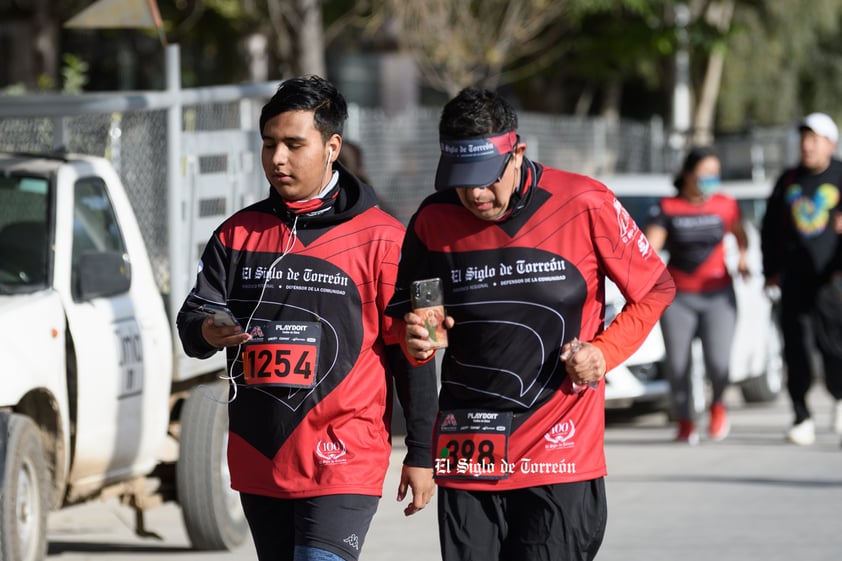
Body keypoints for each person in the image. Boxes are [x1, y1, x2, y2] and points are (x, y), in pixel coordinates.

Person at [386, 87, 676, 561]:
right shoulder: (433, 221)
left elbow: (656, 289)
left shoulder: (585, 202)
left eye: (485, 178)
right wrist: (418, 337)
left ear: (517, 153)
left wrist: (604, 352)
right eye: (461, 181)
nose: (476, 194)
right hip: (467, 450)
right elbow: (424, 321)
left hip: (559, 454)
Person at [176, 75, 438, 561]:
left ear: (332, 146)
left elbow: (414, 353)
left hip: (344, 457)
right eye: (269, 143)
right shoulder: (237, 234)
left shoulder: (386, 239)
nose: (277, 158)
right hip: (261, 456)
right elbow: (193, 320)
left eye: (295, 144)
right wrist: (210, 330)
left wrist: (422, 452)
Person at [644, 147, 750, 444]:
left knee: (719, 361)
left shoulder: (726, 205)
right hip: (679, 298)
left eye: (715, 174)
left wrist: (742, 257)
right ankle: (685, 421)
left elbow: (740, 234)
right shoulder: (668, 207)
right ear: (688, 174)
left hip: (718, 296)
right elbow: (651, 249)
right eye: (705, 173)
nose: (710, 179)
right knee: (678, 365)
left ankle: (718, 404)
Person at [760, 112, 842, 446]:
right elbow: (769, 228)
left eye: (815, 139)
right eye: (804, 139)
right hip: (794, 279)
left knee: (835, 349)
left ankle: (839, 397)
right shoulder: (789, 179)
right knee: (797, 350)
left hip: (833, 282)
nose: (807, 146)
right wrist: (770, 272)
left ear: (830, 144)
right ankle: (801, 415)